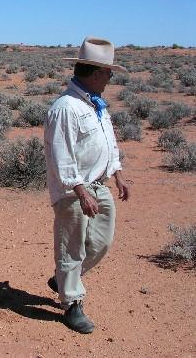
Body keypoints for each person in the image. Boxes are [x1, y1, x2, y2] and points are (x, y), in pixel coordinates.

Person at [44, 36, 130, 334]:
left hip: (98, 184)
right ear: (95, 73)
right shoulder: (66, 107)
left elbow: (108, 141)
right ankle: (71, 304)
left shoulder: (95, 105)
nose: (110, 78)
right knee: (72, 246)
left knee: (101, 242)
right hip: (73, 189)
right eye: (108, 72)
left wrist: (117, 172)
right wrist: (79, 191)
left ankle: (64, 277)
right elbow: (61, 155)